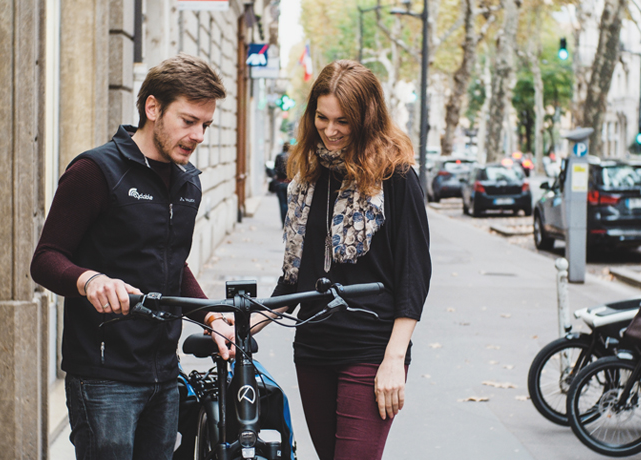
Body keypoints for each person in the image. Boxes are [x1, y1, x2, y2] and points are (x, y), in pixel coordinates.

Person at [30, 54, 235, 460]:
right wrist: (90, 281)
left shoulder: (188, 182)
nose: (198, 136)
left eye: (206, 125)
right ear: (152, 107)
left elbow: (173, 265)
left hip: (164, 373)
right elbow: (46, 259)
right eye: (188, 121)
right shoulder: (95, 170)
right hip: (104, 378)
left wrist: (211, 317)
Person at [258, 60, 431, 460]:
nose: (330, 130)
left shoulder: (395, 176)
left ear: (366, 119)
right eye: (322, 117)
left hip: (371, 349)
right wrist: (249, 321)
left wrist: (394, 360)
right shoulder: (309, 176)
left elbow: (414, 274)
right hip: (314, 348)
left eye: (343, 121)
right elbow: (296, 280)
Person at [273, 142, 292, 225]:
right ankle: (288, 222)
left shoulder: (279, 156)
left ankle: (283, 222)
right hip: (290, 183)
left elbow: (275, 169)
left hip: (280, 183)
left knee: (282, 203)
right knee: (289, 204)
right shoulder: (293, 157)